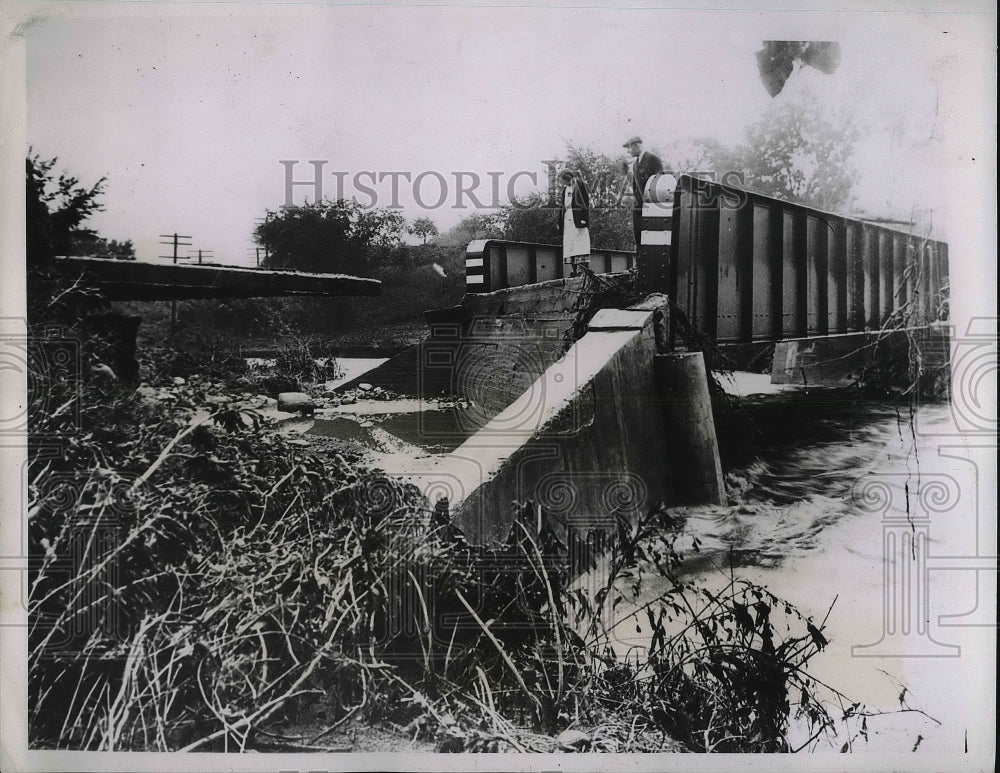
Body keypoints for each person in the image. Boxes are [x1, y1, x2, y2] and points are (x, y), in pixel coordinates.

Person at [623, 135, 664, 249]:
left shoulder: (653, 160)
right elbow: (636, 187)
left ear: (636, 146)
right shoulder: (636, 165)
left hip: (652, 207)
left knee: (652, 240)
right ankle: (640, 265)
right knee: (639, 236)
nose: (628, 151)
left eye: (629, 147)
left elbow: (661, 184)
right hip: (639, 207)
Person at [557, 168, 591, 276]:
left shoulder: (579, 185)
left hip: (578, 219)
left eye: (564, 180)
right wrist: (560, 221)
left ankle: (584, 271)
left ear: (568, 178)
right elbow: (563, 206)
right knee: (570, 245)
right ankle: (575, 271)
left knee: (581, 245)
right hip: (568, 220)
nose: (563, 183)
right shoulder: (565, 190)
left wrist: (584, 217)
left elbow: (586, 202)